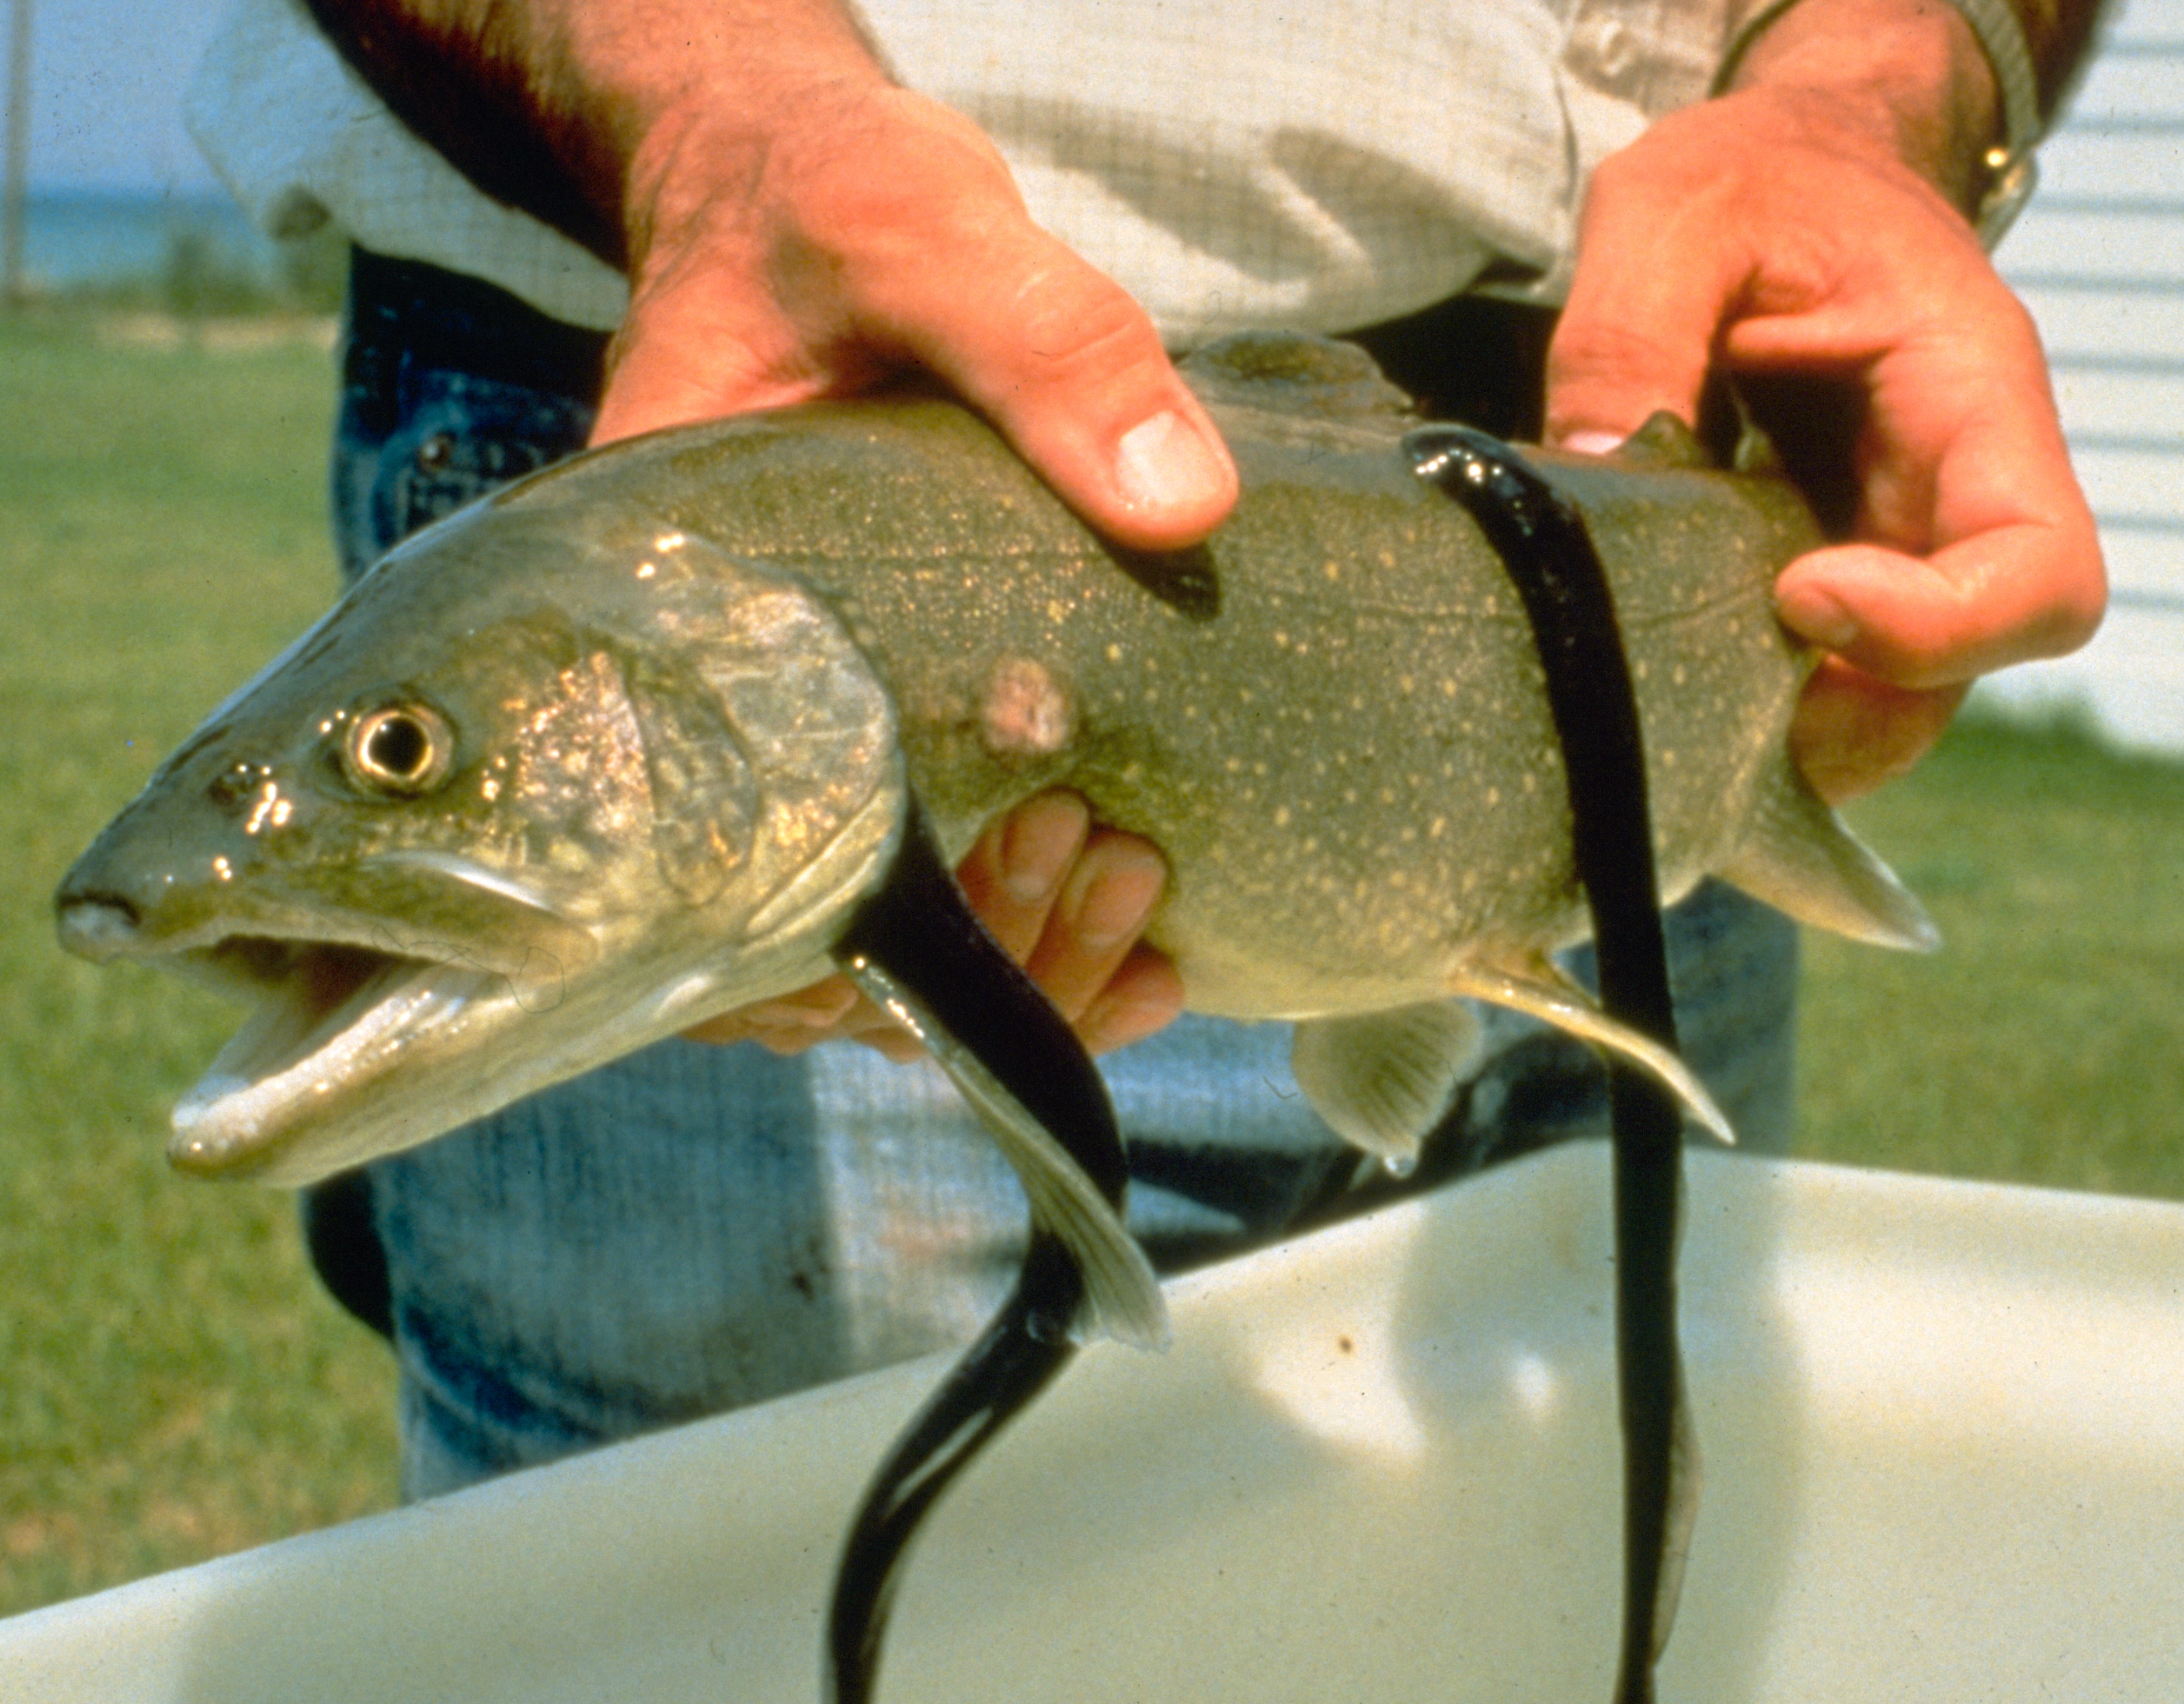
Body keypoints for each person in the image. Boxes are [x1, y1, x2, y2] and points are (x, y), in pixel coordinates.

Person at [188, 0, 2103, 1497]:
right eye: (406, 757)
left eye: (401, 760)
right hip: (725, 369)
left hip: (1638, 495)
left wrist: (1877, 86)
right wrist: (712, 112)